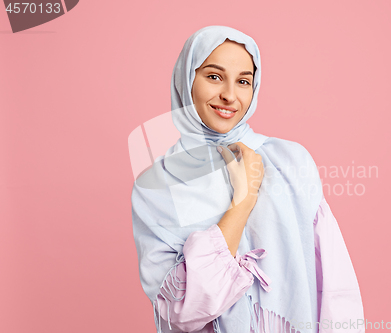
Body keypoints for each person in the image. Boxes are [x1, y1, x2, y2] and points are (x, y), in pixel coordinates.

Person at [131, 25, 365, 333]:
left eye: (243, 81)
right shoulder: (157, 184)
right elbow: (182, 308)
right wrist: (243, 203)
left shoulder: (289, 160)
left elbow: (334, 285)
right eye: (214, 76)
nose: (229, 95)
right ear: (187, 79)